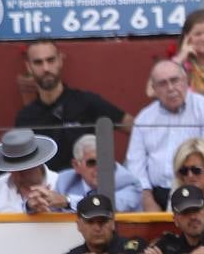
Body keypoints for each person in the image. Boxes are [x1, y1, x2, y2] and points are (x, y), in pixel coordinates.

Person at [126, 60, 204, 212]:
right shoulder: (144, 118)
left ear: (186, 80)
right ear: (154, 89)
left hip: (197, 189)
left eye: (174, 80)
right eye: (163, 84)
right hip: (154, 194)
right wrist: (147, 199)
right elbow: (135, 164)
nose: (171, 88)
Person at [14, 41, 129, 172]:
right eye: (38, 62)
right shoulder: (25, 117)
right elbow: (21, 164)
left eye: (51, 60)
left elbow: (137, 129)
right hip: (46, 188)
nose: (46, 68)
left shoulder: (87, 103)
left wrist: (131, 169)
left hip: (86, 187)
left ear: (60, 61)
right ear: (29, 67)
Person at [0, 130, 60, 214]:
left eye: (25, 169)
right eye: (13, 169)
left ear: (38, 163)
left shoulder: (60, 183)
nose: (19, 174)